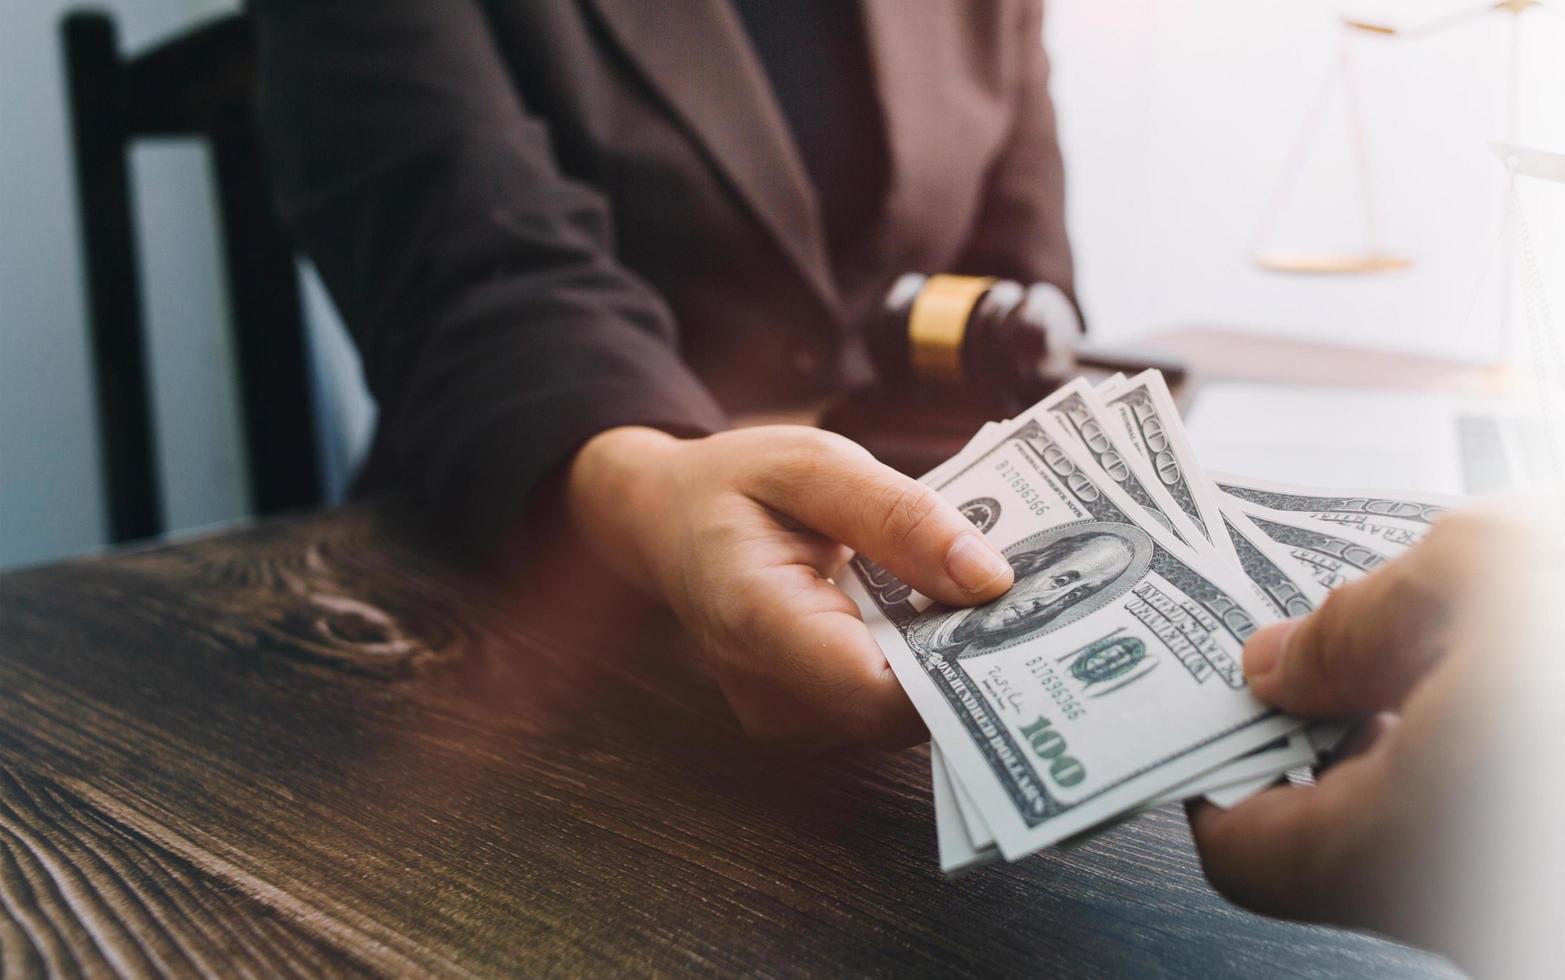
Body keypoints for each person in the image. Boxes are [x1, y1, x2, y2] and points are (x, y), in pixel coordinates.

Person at [254, 0, 1073, 749]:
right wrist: (654, 487)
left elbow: (1017, 288)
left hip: (894, 588)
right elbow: (468, 267)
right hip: (502, 614)